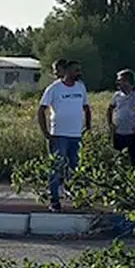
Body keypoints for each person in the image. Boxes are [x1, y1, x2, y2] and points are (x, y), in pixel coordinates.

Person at [37, 59, 91, 212]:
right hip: (59, 135)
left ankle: (78, 197)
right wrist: (46, 132)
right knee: (56, 168)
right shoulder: (54, 89)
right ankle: (54, 200)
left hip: (76, 135)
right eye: (76, 70)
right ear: (66, 71)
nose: (79, 73)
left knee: (76, 168)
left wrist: (87, 128)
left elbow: (86, 108)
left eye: (79, 70)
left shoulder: (81, 87)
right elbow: (41, 110)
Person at [107, 69, 135, 165]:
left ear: (127, 81)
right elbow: (110, 109)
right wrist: (111, 124)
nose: (117, 83)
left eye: (120, 80)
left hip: (133, 134)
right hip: (119, 134)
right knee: (120, 160)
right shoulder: (117, 95)